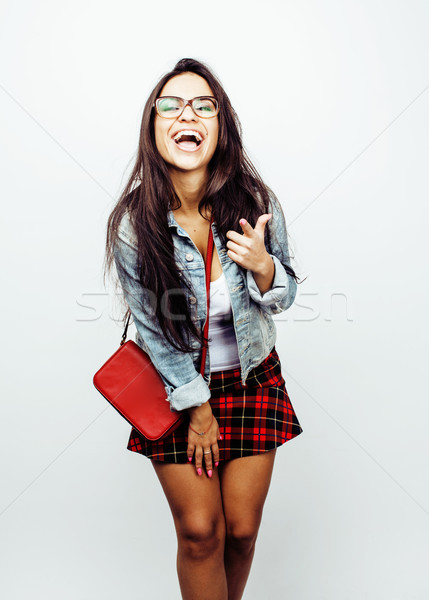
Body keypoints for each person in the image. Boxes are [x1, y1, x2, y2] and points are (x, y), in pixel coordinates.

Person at [104, 58, 304, 600]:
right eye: (170, 105)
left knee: (240, 533)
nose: (185, 113)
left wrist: (264, 267)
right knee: (199, 534)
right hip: (177, 391)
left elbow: (284, 293)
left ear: (220, 126)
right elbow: (154, 330)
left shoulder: (257, 204)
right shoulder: (133, 223)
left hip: (253, 381)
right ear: (153, 128)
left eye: (202, 105)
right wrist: (196, 407)